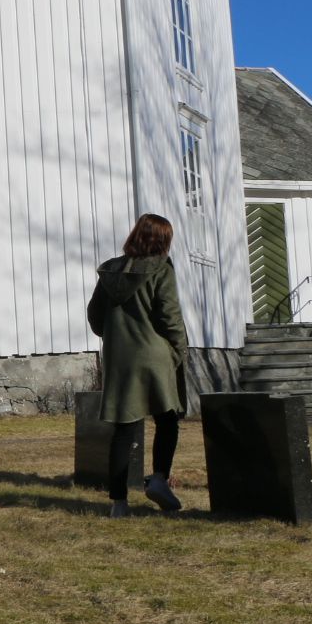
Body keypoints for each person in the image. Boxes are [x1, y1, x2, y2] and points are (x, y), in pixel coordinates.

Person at [87, 213, 189, 518]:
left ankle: (119, 503)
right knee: (167, 420)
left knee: (124, 429)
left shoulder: (110, 271)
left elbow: (95, 316)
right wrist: (179, 349)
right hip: (156, 356)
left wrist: (115, 335)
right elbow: (169, 316)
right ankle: (158, 479)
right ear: (162, 240)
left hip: (121, 359)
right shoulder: (162, 269)